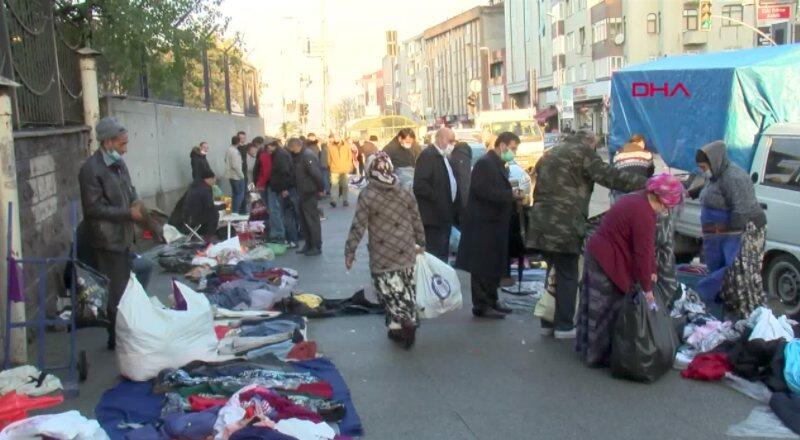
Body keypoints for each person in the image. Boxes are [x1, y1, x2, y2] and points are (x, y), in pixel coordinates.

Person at [527, 130, 647, 339]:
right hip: (564, 223)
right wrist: (645, 183)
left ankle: (547, 322)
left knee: (553, 271)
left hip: (540, 222)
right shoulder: (583, 152)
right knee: (567, 273)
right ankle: (564, 325)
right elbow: (609, 177)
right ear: (590, 142)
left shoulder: (550, 153)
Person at [576, 173, 684, 367]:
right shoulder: (643, 212)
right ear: (660, 198)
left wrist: (651, 270)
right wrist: (647, 289)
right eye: (667, 206)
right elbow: (641, 252)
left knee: (597, 305)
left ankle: (590, 350)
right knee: (604, 307)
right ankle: (597, 355)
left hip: (601, 252)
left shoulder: (639, 199)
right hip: (605, 258)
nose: (665, 211)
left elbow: (646, 248)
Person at [345, 152, 426, 348]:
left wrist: (350, 252)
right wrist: (422, 243)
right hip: (406, 249)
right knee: (404, 289)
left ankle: (406, 322)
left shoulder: (368, 194)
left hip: (382, 254)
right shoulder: (405, 189)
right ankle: (396, 327)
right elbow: (416, 218)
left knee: (387, 291)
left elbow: (358, 226)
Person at [78, 117, 143, 350]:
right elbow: (93, 208)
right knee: (116, 293)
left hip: (123, 236)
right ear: (107, 142)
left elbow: (130, 188)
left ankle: (124, 332)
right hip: (107, 240)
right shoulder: (91, 170)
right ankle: (117, 338)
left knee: (129, 285)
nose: (125, 149)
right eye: (122, 144)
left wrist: (136, 202)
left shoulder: (118, 164)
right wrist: (128, 213)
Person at [694, 140, 767, 319]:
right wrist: (690, 193)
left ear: (715, 161)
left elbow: (740, 211)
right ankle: (729, 310)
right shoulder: (717, 175)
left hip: (743, 231)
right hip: (721, 233)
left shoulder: (735, 178)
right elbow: (708, 188)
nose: (703, 171)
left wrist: (730, 242)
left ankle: (749, 316)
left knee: (739, 274)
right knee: (725, 274)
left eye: (704, 167)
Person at [456, 132, 521, 319]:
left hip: (494, 224)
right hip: (483, 224)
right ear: (502, 146)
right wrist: (510, 195)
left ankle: (492, 300)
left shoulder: (498, 163)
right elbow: (484, 191)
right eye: (513, 148)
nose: (513, 152)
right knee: (482, 267)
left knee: (493, 266)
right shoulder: (485, 163)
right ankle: (481, 305)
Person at [414, 127, 458, 262]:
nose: (452, 144)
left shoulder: (444, 156)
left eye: (454, 141)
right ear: (440, 139)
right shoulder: (428, 156)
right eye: (450, 141)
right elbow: (420, 185)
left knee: (443, 254)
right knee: (436, 256)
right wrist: (438, 198)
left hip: (444, 215)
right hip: (433, 218)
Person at [288, 138, 324, 256]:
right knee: (304, 221)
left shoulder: (307, 156)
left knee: (312, 220)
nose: (291, 151)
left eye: (291, 148)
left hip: (309, 191)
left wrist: (321, 189)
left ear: (295, 146)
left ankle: (316, 245)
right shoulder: (300, 155)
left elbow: (316, 174)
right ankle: (308, 244)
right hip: (302, 191)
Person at [266, 139, 299, 248]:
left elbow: (284, 172)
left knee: (287, 215)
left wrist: (284, 189)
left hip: (284, 188)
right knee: (286, 214)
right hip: (282, 188)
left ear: (272, 146)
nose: (267, 150)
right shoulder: (279, 154)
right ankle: (290, 239)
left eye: (268, 147)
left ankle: (292, 240)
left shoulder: (280, 155)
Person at [169, 169, 219, 239]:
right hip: (193, 220)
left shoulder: (195, 186)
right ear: (209, 179)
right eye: (214, 179)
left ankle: (205, 234)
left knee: (212, 212)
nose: (215, 181)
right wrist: (222, 206)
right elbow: (209, 207)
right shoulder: (205, 189)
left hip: (185, 218)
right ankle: (208, 236)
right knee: (214, 213)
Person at [611, 134, 655, 202]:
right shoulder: (647, 154)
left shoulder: (618, 153)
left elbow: (614, 171)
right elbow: (650, 172)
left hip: (621, 189)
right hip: (640, 189)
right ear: (640, 142)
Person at [449, 141, 473, 224]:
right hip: (460, 201)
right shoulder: (463, 158)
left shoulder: (453, 156)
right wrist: (466, 205)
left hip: (453, 200)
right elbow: (464, 183)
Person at [327, 133, 353, 208]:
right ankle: (334, 200)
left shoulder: (346, 145)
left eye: (337, 137)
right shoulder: (330, 146)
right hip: (334, 169)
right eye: (335, 137)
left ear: (340, 137)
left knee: (344, 185)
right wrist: (330, 165)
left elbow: (350, 156)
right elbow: (329, 158)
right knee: (334, 185)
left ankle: (345, 200)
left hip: (344, 169)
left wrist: (349, 165)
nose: (336, 138)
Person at [225, 135, 246, 215]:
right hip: (237, 176)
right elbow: (235, 165)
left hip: (231, 176)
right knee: (240, 195)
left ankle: (231, 211)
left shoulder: (229, 150)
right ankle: (235, 211)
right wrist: (242, 175)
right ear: (238, 142)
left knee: (235, 194)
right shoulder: (235, 151)